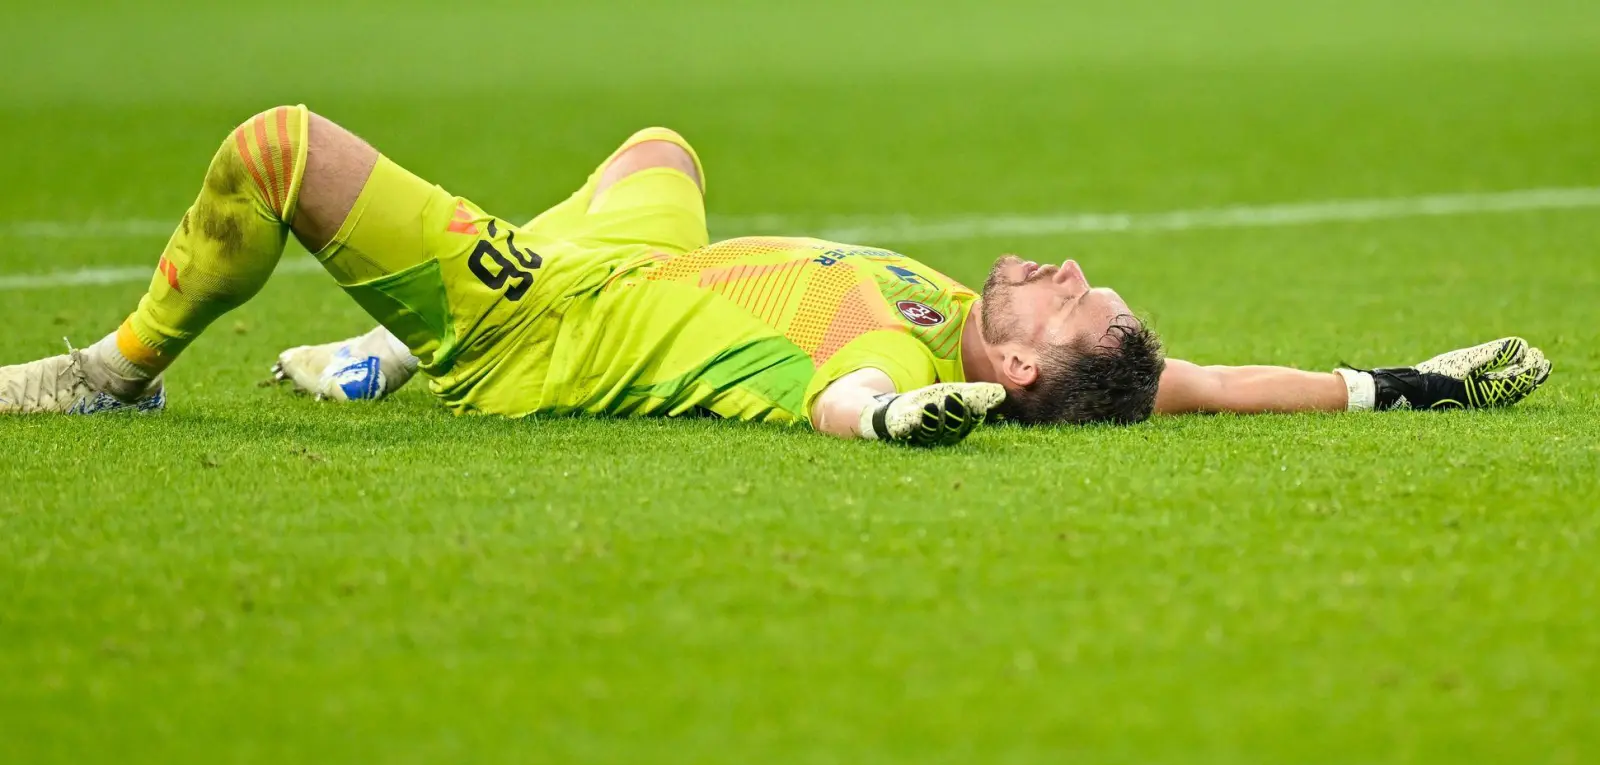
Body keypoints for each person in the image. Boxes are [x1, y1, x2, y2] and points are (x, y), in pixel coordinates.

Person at [0, 106, 1553, 445]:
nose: (1070, 269)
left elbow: (850, 395)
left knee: (277, 152)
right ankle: (377, 355)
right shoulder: (1027, 345)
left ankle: (115, 372)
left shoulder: (880, 341)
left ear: (1008, 371)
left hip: (544, 318)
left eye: (1068, 298)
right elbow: (1200, 384)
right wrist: (1409, 379)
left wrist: (889, 426)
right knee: (663, 148)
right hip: (641, 259)